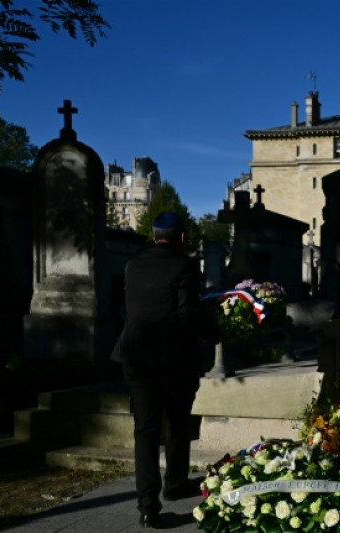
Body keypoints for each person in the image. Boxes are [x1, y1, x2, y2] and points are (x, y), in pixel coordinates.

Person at [112, 212, 219, 529]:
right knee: (176, 420)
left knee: (145, 430)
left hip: (134, 355)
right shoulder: (184, 265)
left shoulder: (134, 264)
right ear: (182, 237)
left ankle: (148, 507)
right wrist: (216, 331)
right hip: (172, 357)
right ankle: (174, 482)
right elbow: (186, 314)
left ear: (154, 235)